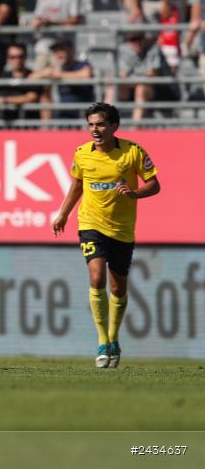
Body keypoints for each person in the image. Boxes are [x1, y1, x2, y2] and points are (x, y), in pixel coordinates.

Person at [51, 102, 160, 369]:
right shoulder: (82, 154)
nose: (95, 130)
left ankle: (113, 337)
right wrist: (63, 213)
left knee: (117, 287)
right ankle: (101, 340)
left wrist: (134, 193)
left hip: (122, 228)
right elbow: (77, 185)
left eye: (100, 124)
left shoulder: (132, 152)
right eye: (90, 125)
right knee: (96, 277)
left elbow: (154, 184)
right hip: (90, 223)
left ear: (113, 126)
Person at [30, 0, 83, 71]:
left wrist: (52, 23)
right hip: (44, 45)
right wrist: (39, 22)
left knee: (60, 78)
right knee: (38, 80)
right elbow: (37, 16)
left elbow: (76, 19)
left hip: (63, 46)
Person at [113, 32, 180, 122]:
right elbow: (122, 75)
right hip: (135, 89)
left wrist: (131, 76)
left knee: (141, 89)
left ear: (145, 39)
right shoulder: (124, 50)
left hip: (162, 91)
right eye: (133, 40)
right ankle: (105, 131)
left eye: (140, 39)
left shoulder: (153, 49)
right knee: (112, 88)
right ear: (128, 42)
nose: (138, 43)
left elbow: (151, 75)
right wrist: (137, 76)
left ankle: (134, 131)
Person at [32, 39, 93, 120]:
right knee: (45, 93)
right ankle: (45, 129)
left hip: (83, 117)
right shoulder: (55, 69)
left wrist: (59, 75)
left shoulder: (81, 65)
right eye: (55, 51)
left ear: (71, 50)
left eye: (62, 50)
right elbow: (31, 78)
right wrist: (44, 73)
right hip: (63, 117)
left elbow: (86, 74)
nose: (58, 54)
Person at [0, 42, 43, 124]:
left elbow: (31, 97)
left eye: (20, 56)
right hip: (7, 127)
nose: (17, 60)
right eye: (13, 57)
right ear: (8, 58)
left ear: (26, 57)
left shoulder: (32, 76)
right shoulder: (2, 77)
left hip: (29, 128)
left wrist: (4, 100)